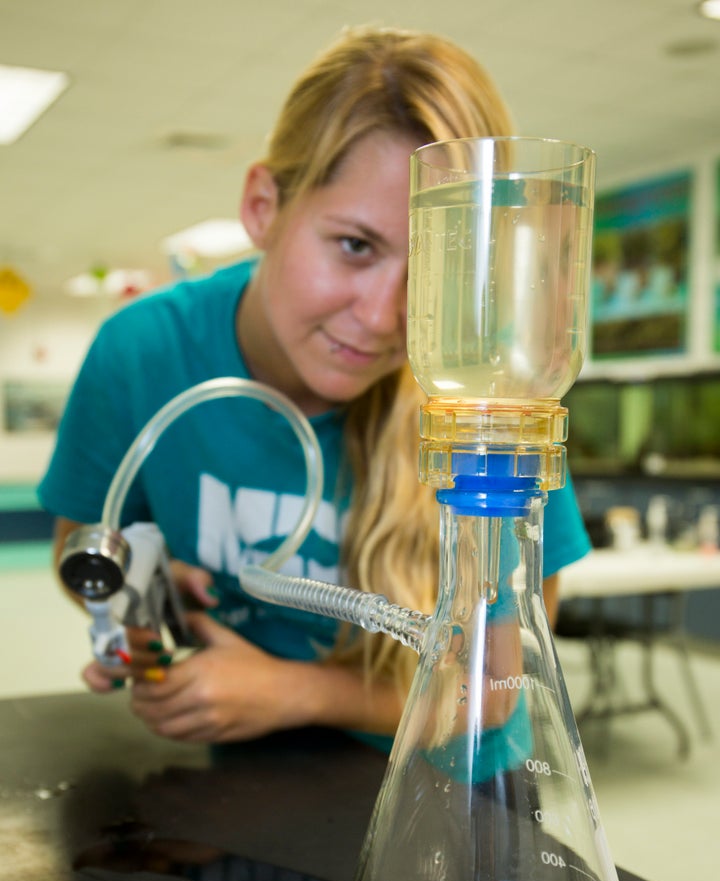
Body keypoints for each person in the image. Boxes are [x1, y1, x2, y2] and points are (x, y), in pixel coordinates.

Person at [38, 25, 590, 748]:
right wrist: (147, 600)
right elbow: (77, 546)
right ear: (264, 206)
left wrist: (293, 692)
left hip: (447, 792)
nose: (385, 316)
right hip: (248, 782)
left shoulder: (483, 388)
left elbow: (497, 692)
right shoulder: (145, 351)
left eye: (432, 268)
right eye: (356, 246)